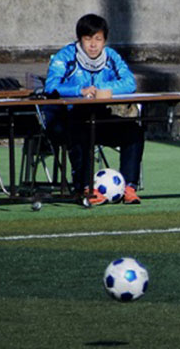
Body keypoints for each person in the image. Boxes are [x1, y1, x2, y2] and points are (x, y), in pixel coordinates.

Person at [43, 13, 144, 205]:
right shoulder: (65, 56)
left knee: (134, 131)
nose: (93, 44)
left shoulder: (111, 57)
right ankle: (85, 188)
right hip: (66, 119)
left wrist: (103, 91)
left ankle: (129, 187)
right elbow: (51, 86)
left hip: (98, 115)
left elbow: (129, 83)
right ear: (80, 39)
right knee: (82, 131)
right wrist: (79, 91)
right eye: (88, 39)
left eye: (98, 39)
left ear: (104, 40)